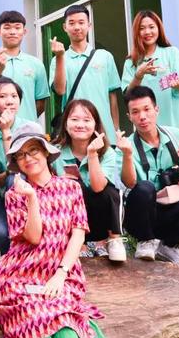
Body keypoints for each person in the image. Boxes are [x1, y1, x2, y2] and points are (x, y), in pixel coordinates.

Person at [0, 122, 114, 338]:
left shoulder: (71, 187)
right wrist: (32, 198)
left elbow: (78, 233)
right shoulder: (15, 194)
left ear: (45, 151)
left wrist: (61, 273)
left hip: (61, 270)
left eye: (33, 150)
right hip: (22, 272)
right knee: (32, 316)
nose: (27, 158)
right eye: (21, 155)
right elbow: (33, 237)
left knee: (65, 326)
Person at [117, 86, 179, 269]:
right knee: (145, 188)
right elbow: (129, 182)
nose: (142, 116)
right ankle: (146, 241)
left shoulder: (175, 136)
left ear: (156, 109)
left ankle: (170, 246)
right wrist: (127, 154)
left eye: (147, 109)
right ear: (129, 117)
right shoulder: (126, 146)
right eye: (135, 112)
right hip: (140, 216)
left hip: (170, 208)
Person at [52, 99, 126, 262]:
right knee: (73, 186)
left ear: (96, 125)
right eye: (74, 119)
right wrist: (58, 182)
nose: (80, 125)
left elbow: (98, 187)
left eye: (86, 120)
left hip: (100, 220)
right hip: (70, 223)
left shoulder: (107, 152)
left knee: (111, 192)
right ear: (65, 124)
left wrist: (92, 154)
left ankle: (111, 240)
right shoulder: (55, 153)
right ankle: (79, 244)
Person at [121, 10, 179, 148]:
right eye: (142, 28)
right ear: (136, 32)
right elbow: (128, 94)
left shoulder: (172, 53)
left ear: (159, 28)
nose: (147, 32)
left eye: (151, 27)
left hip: (176, 124)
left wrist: (178, 85)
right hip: (148, 131)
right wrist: (139, 75)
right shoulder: (131, 62)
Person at [49, 4, 121, 142]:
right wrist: (59, 57)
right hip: (75, 131)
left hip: (105, 131)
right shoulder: (58, 60)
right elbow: (60, 90)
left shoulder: (105, 56)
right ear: (65, 27)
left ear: (89, 25)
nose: (77, 27)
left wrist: (115, 130)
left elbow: (112, 97)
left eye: (81, 22)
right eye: (72, 23)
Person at [0, 75, 35, 253]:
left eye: (14, 96)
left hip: (33, 196)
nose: (10, 101)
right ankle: (12, 256)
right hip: (3, 196)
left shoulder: (30, 128)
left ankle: (26, 250)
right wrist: (5, 176)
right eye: (2, 96)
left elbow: (30, 170)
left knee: (15, 178)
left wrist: (6, 132)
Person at [0, 10, 50, 122]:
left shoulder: (36, 64)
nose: (12, 32)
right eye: (7, 27)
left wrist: (22, 121)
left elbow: (41, 101)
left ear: (24, 31)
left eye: (17, 27)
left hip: (27, 128)